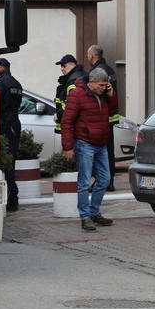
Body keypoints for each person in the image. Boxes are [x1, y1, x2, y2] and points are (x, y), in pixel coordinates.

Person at [61, 68, 119, 232]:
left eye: (105, 85)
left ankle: (94, 212)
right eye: (101, 85)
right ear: (91, 82)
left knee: (105, 179)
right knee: (84, 182)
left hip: (101, 143)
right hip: (84, 142)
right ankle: (85, 217)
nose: (103, 88)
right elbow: (67, 122)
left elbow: (113, 111)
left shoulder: (104, 95)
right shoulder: (77, 95)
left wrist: (111, 95)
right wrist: (68, 147)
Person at [86, 44, 120, 191]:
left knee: (99, 151)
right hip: (111, 116)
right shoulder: (110, 69)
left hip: (101, 116)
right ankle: (109, 180)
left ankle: (101, 180)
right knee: (108, 151)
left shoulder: (97, 71)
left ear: (91, 56)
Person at [0, 57, 23, 212]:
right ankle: (13, 199)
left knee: (1, 163)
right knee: (10, 162)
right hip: (14, 125)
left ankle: (7, 199)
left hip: (2, 126)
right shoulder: (16, 83)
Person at [53, 54, 87, 137]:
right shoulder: (80, 76)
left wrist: (58, 115)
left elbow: (71, 103)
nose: (61, 69)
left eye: (63, 66)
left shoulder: (73, 80)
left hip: (75, 127)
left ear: (72, 64)